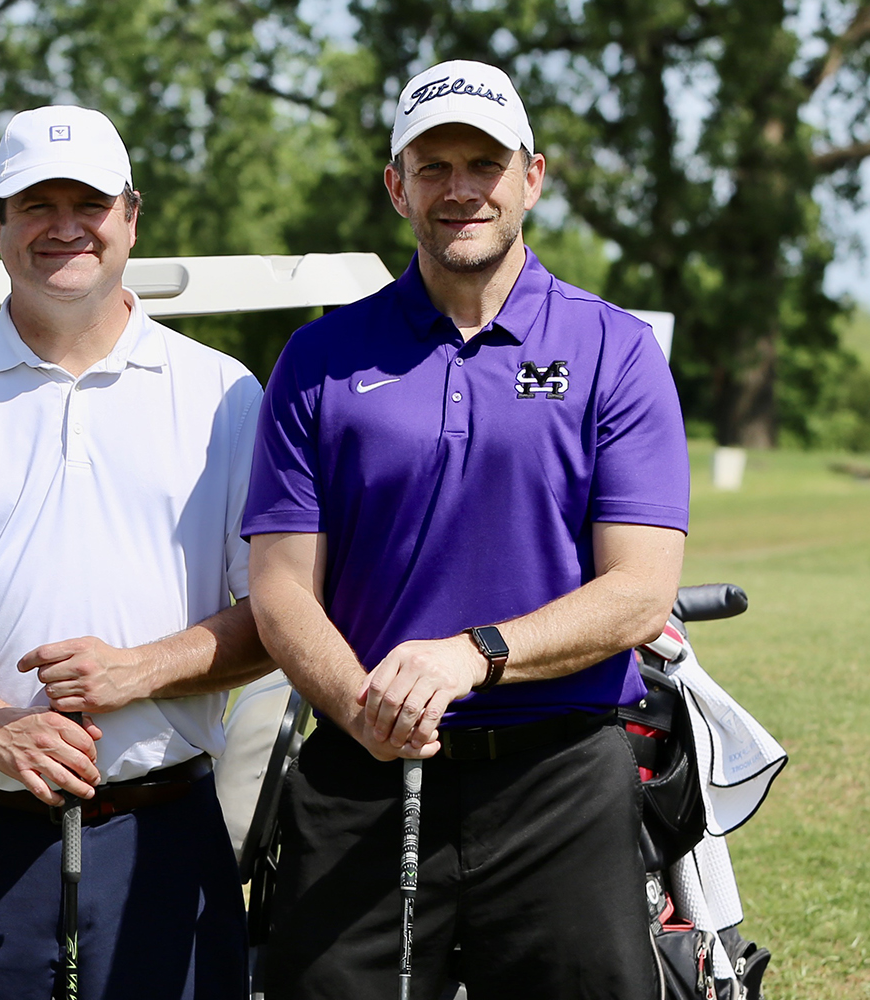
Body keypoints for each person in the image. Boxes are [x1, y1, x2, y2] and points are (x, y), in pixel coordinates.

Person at [243, 59, 690, 1000]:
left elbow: (641, 588)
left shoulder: (614, 347)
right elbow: (281, 586)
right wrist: (363, 711)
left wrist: (472, 656)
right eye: (433, 166)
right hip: (362, 771)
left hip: (560, 778)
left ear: (530, 177)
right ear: (396, 185)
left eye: (482, 164)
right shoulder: (321, 358)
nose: (460, 190)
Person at [0, 105, 269, 1000]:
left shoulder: (223, 394)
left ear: (132, 216)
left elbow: (272, 618)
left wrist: (139, 671)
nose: (64, 225)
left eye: (90, 202)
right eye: (36, 204)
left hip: (161, 829)